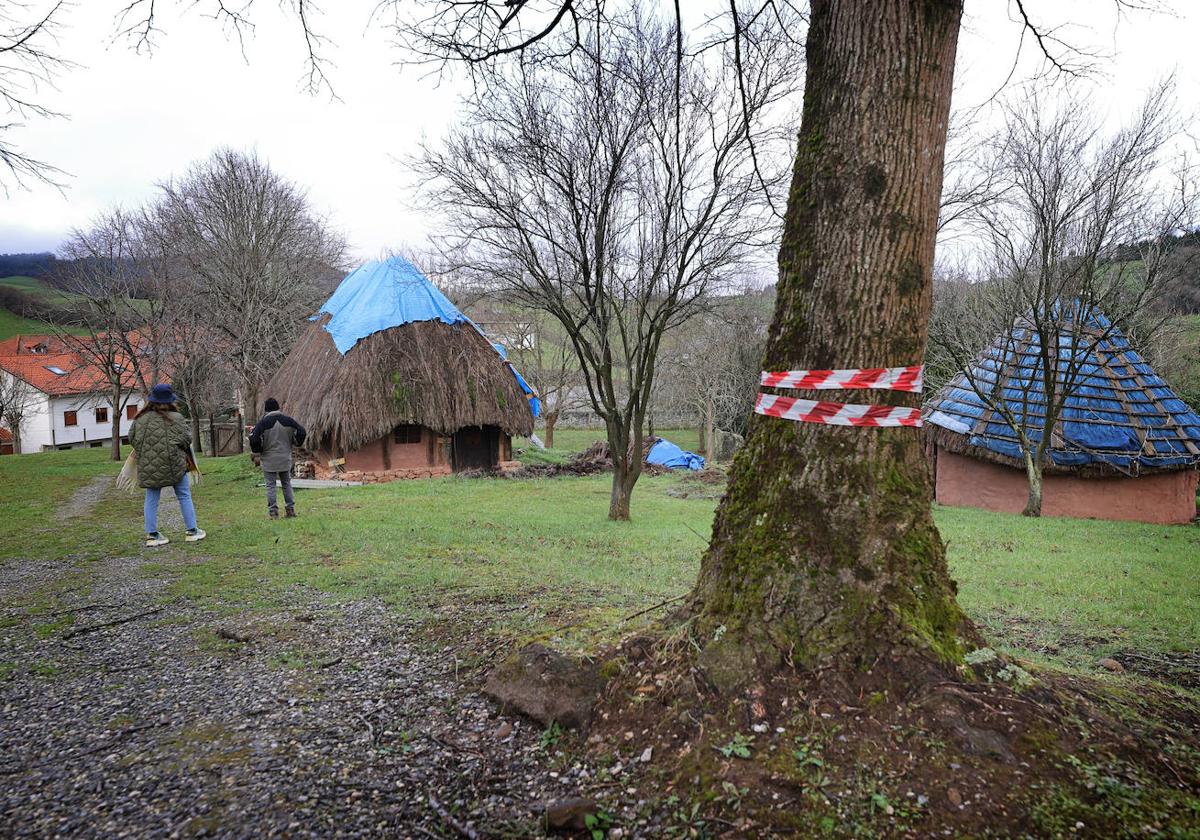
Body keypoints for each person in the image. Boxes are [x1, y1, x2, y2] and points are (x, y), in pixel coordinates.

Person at [129, 383, 206, 546]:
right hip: (175, 465)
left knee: (151, 499)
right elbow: (187, 439)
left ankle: (152, 535)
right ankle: (192, 531)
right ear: (170, 400)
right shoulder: (176, 418)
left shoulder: (140, 419)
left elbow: (132, 439)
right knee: (184, 495)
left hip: (149, 466)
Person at [248, 397, 307, 519]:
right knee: (286, 484)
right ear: (278, 407)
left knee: (271, 485)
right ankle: (290, 510)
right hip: (285, 458)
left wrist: (258, 449)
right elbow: (302, 431)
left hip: (269, 459)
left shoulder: (263, 423)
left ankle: (273, 512)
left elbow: (253, 439)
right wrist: (296, 442)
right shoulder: (288, 421)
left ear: (266, 410)